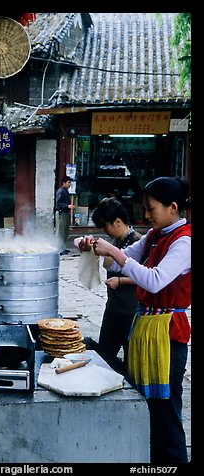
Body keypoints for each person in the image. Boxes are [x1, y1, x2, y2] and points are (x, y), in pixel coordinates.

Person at [78, 176, 191, 464]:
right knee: (148, 408)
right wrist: (92, 246)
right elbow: (119, 260)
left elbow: (155, 281)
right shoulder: (156, 235)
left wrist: (113, 250)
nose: (146, 215)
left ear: (173, 208)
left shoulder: (184, 241)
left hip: (167, 335)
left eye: (151, 208)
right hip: (147, 329)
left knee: (166, 413)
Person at [90, 197, 141, 375]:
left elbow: (147, 276)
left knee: (131, 363)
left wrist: (120, 281)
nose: (105, 231)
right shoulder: (116, 243)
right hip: (113, 308)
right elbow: (108, 263)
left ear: (118, 221)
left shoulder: (137, 242)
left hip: (131, 311)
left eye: (106, 226)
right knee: (104, 355)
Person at [55, 175, 75, 255]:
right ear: (64, 183)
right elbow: (58, 204)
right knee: (60, 232)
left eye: (70, 182)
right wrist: (67, 206)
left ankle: (63, 247)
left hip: (66, 213)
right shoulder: (61, 191)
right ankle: (59, 249)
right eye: (68, 182)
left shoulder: (66, 191)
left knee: (65, 231)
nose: (69, 184)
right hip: (61, 213)